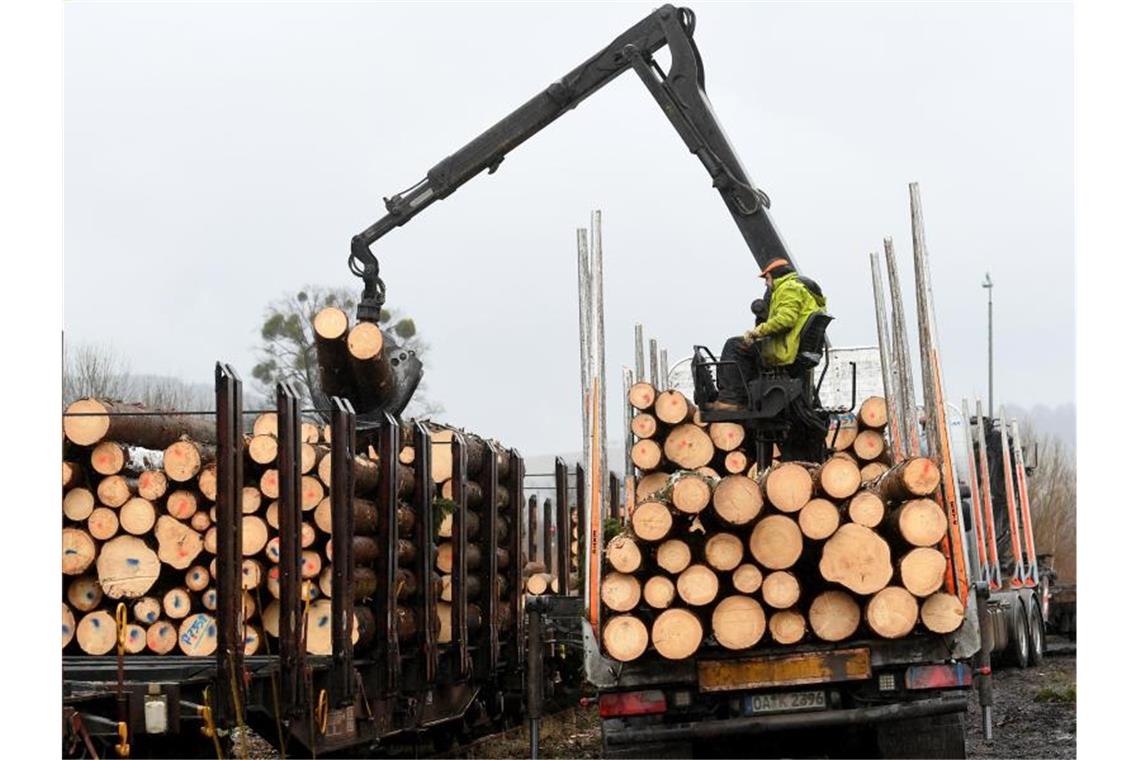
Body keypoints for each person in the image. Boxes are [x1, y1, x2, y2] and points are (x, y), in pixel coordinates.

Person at [709, 259, 827, 410]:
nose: (766, 283)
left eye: (767, 278)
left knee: (734, 346)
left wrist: (758, 331)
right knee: (747, 349)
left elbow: (786, 319)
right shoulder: (804, 291)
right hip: (793, 346)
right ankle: (746, 397)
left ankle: (732, 400)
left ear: (776, 276)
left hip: (786, 349)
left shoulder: (788, 288)